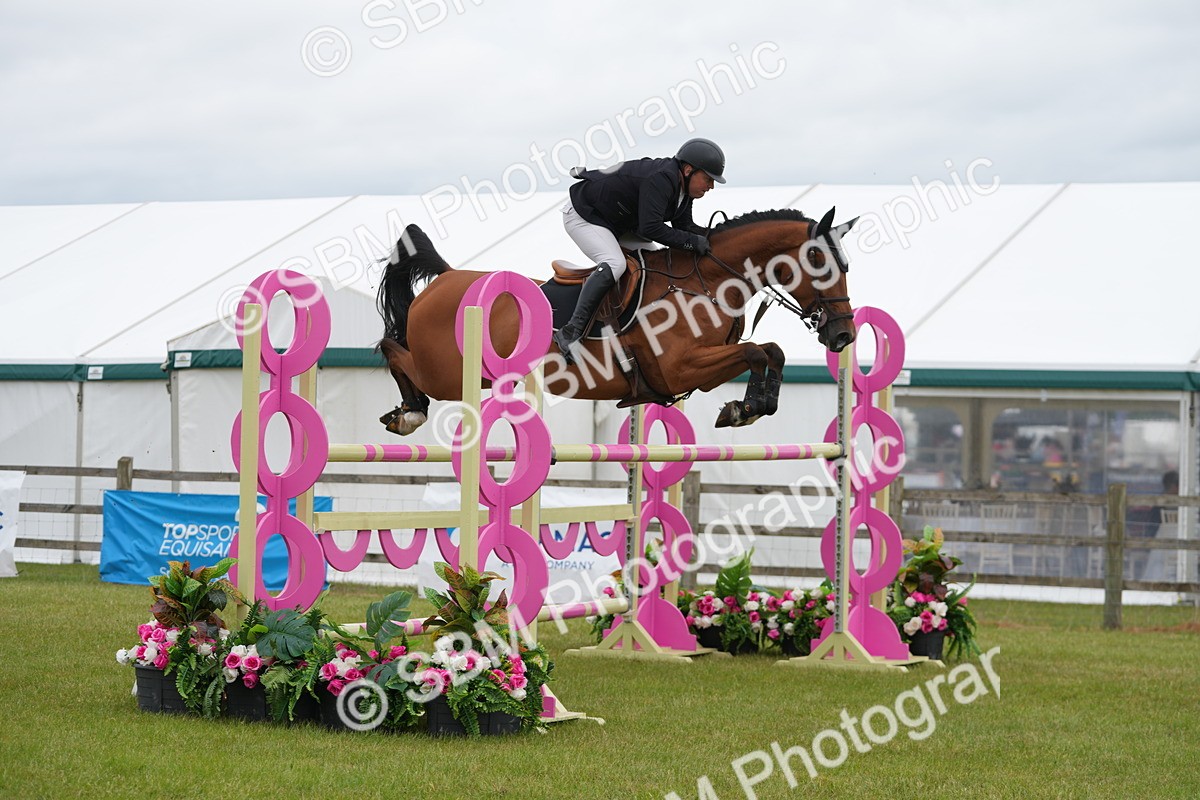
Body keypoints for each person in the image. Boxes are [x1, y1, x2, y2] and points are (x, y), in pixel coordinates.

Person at [553, 137, 727, 363]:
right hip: (585, 215)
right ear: (688, 170)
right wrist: (694, 242)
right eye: (708, 179)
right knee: (616, 264)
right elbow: (651, 228)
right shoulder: (661, 179)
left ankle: (637, 332)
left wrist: (718, 238)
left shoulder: (683, 189)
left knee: (655, 265)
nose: (711, 186)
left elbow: (684, 227)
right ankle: (571, 330)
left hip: (620, 223)